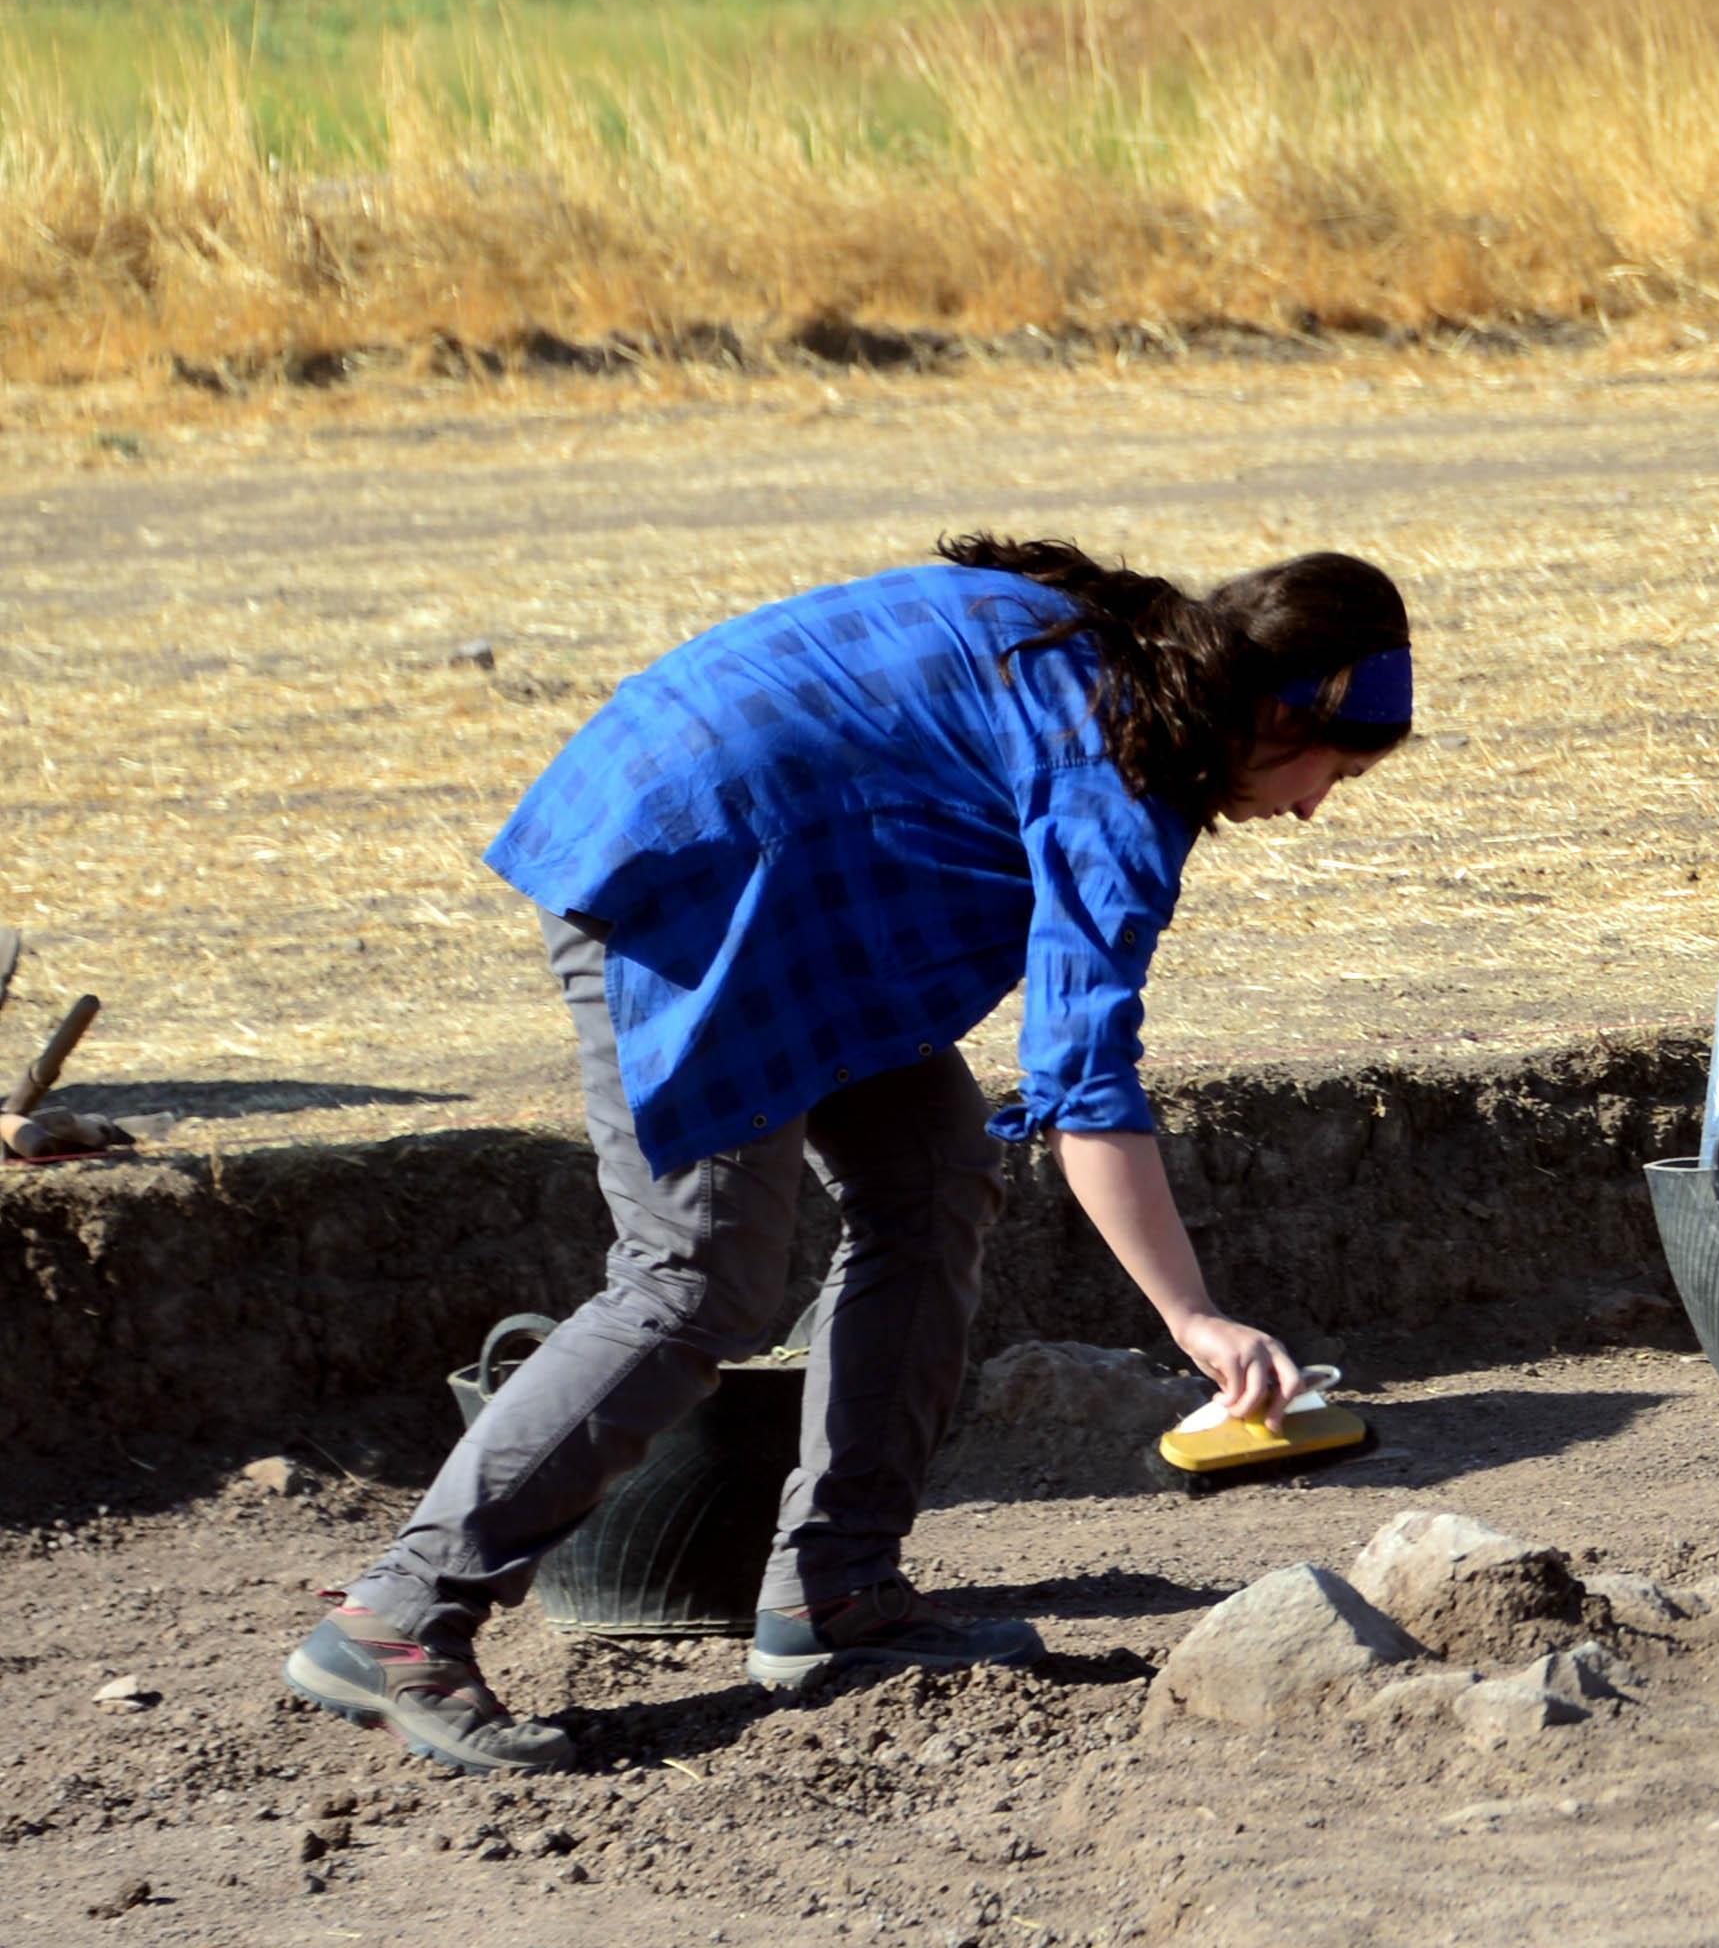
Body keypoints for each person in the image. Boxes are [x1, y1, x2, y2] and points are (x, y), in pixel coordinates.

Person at [281, 538, 1416, 1774]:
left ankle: (835, 1594)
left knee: (932, 1174)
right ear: (1273, 711)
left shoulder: (1104, 638)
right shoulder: (1121, 762)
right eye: (1330, 770)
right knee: (693, 1275)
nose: (1311, 809)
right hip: (690, 867)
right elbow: (1083, 1078)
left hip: (797, 874)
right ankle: (401, 1612)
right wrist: (1192, 1316)